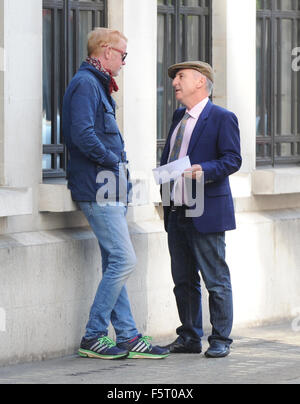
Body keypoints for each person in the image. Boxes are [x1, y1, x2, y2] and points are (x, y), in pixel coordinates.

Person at [62, 27, 169, 360]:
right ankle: (94, 334)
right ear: (105, 51)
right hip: (97, 188)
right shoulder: (85, 84)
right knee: (124, 259)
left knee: (115, 261)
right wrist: (112, 161)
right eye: (123, 55)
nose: (124, 62)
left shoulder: (96, 84)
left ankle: (127, 335)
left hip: (109, 187)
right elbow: (80, 134)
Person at [160, 61, 242, 358]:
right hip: (176, 209)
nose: (174, 83)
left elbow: (233, 159)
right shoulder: (178, 117)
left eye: (180, 77)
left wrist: (203, 170)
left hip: (205, 210)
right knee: (183, 279)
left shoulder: (222, 118)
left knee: (215, 278)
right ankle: (190, 336)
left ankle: (220, 339)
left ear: (200, 81)